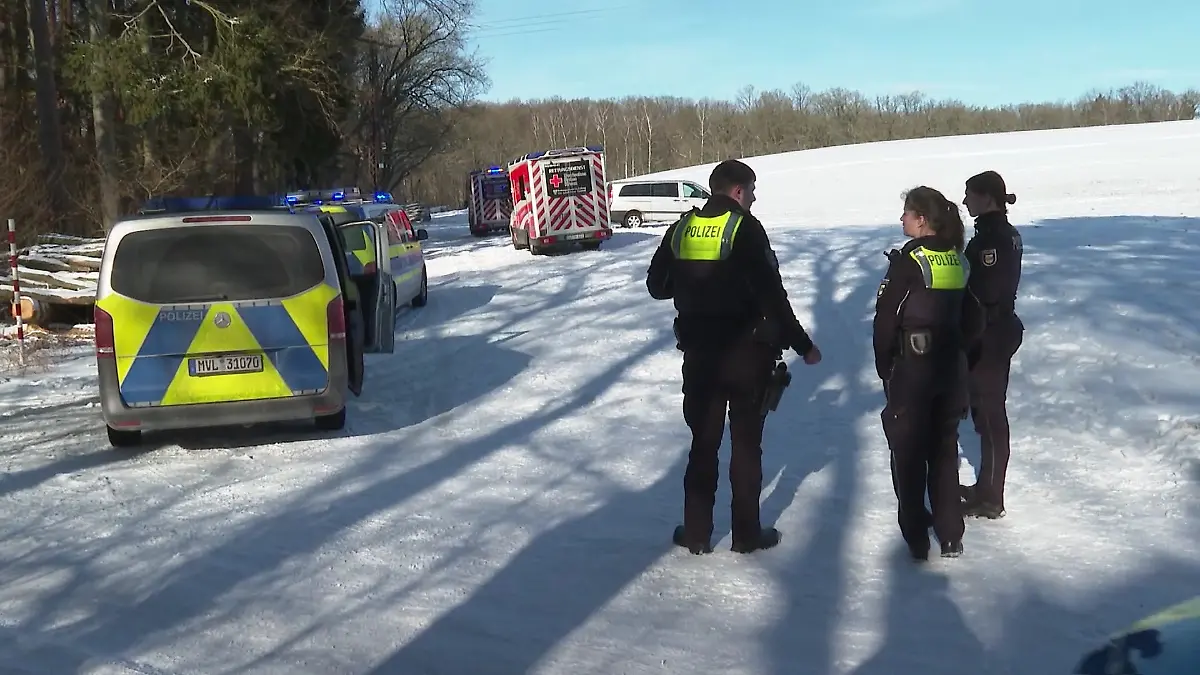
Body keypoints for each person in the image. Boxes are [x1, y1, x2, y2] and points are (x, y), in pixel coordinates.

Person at [646, 159, 821, 555]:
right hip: (747, 356)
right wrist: (803, 345)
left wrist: (691, 281)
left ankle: (696, 534)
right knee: (745, 446)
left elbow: (657, 286)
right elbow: (772, 296)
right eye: (753, 190)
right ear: (738, 191)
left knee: (702, 444)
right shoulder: (745, 228)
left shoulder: (682, 228)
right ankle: (745, 535)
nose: (755, 197)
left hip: (700, 356)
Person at [873, 185, 983, 561]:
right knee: (943, 451)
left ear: (921, 220)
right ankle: (951, 535)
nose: (902, 219)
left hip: (914, 368)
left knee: (907, 453)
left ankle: (918, 539)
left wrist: (884, 362)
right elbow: (975, 317)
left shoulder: (910, 260)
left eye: (906, 213)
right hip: (950, 369)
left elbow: (886, 318)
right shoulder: (958, 260)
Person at [959, 170, 1024, 520]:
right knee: (986, 413)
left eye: (969, 194)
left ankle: (991, 496)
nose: (965, 200)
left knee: (991, 413)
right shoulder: (998, 233)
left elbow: (984, 292)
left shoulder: (992, 239)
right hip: (995, 328)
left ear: (987, 198)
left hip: (991, 333)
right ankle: (986, 487)